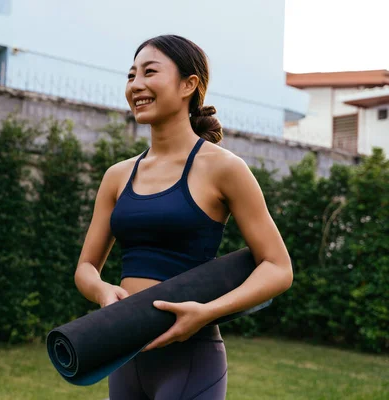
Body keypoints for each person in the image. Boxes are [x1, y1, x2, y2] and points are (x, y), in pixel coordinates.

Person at [73, 34, 293, 400]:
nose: (136, 85)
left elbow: (278, 267)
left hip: (192, 360)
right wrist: (102, 291)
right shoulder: (117, 175)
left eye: (149, 72)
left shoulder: (224, 168)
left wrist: (206, 312)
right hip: (124, 351)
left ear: (189, 85)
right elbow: (85, 267)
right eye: (131, 76)